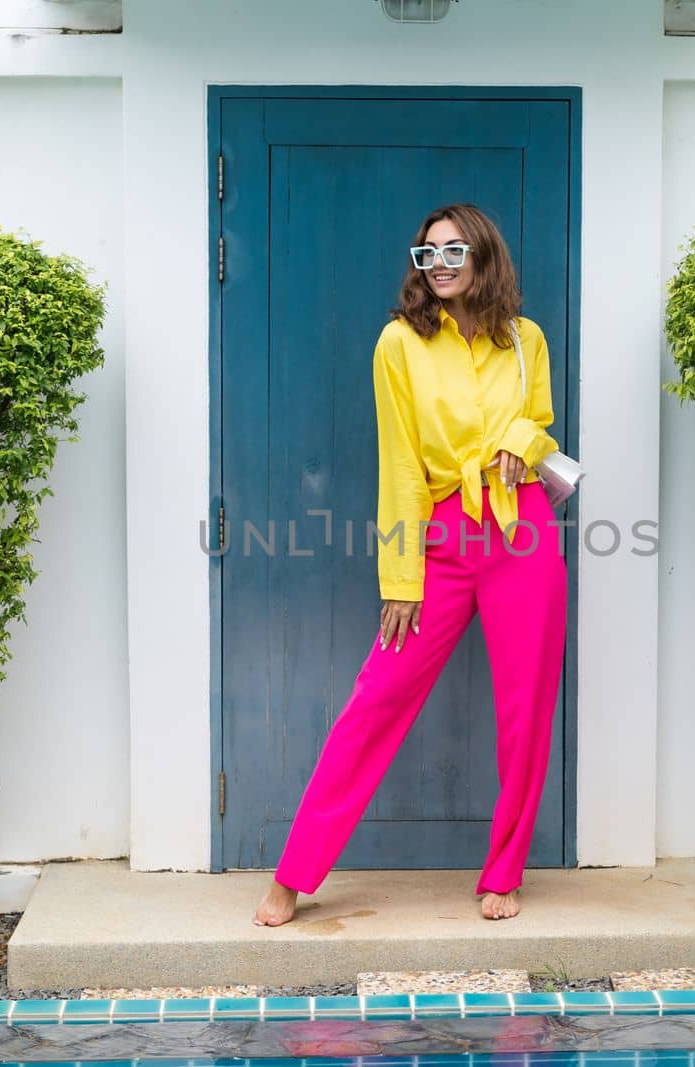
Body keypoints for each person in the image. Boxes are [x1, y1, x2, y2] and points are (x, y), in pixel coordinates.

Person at [253, 203, 567, 926]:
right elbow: (399, 463)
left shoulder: (528, 339)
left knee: (526, 709)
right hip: (443, 533)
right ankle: (296, 871)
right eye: (429, 255)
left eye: (456, 251)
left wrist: (523, 436)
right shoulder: (399, 343)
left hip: (523, 527)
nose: (442, 265)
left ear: (484, 255)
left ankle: (505, 869)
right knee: (377, 698)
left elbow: (541, 418)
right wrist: (401, 576)